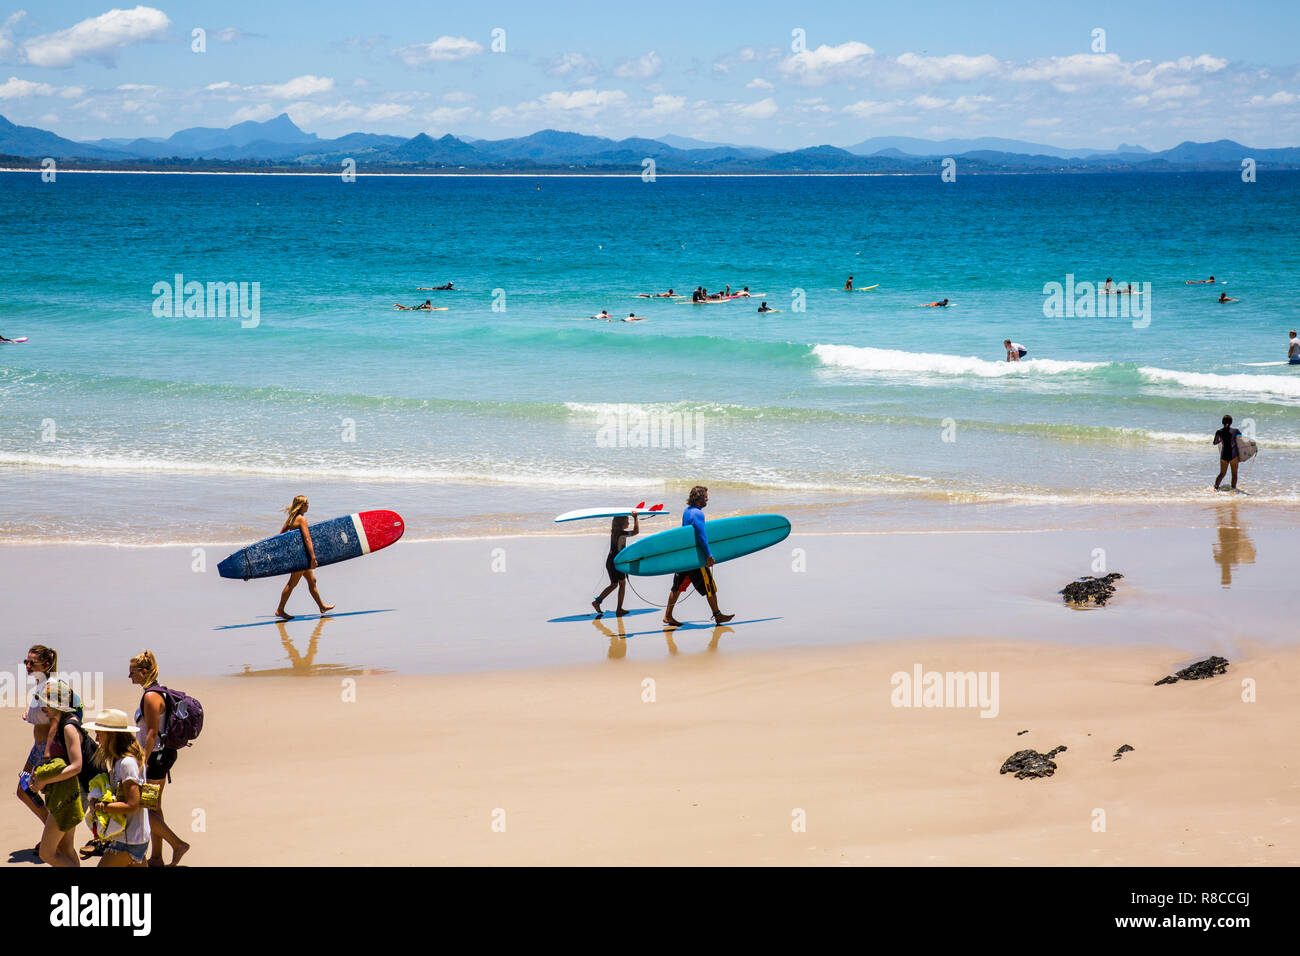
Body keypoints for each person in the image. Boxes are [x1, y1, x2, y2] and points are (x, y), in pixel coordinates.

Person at [130, 651, 190, 867]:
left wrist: (141, 762)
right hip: (159, 757)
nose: (130, 677)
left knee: (145, 808)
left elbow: (152, 732)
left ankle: (177, 844)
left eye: (133, 673)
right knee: (152, 807)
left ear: (144, 672)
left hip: (155, 759)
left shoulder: (150, 696)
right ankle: (156, 858)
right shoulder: (156, 692)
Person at [28, 679, 88, 868]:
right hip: (70, 792)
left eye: (46, 702)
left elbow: (77, 766)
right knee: (66, 848)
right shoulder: (64, 723)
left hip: (70, 795)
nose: (43, 707)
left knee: (47, 853)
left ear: (57, 704)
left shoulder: (69, 727)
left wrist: (44, 781)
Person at [83, 709, 151, 867]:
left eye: (100, 734)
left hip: (128, 839)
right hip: (135, 836)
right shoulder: (121, 761)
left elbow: (132, 805)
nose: (97, 739)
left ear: (112, 735)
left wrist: (101, 807)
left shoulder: (127, 763)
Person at [663, 486, 734, 628]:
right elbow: (701, 536)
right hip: (695, 559)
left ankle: (668, 615)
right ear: (699, 498)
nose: (707, 499)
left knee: (677, 587)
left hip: (685, 558)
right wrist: (708, 555)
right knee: (709, 586)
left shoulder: (687, 511)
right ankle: (717, 614)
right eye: (705, 496)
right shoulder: (698, 514)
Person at [17, 646, 59, 829]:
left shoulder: (50, 688)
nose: (27, 665)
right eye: (26, 661)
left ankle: (52, 833)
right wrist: (30, 713)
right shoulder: (40, 684)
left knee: (28, 790)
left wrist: (48, 753)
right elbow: (43, 711)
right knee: (24, 789)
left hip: (45, 749)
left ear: (46, 664)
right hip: (37, 748)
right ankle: (50, 829)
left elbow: (56, 721)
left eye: (32, 662)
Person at [275, 495, 335, 620]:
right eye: (307, 503)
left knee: (312, 580)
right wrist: (313, 557)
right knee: (292, 583)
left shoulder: (290, 519)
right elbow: (308, 539)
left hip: (298, 555)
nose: (308, 505)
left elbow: (280, 536)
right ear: (302, 505)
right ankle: (280, 610)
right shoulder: (301, 519)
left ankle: (321, 606)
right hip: (301, 557)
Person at [593, 514, 639, 617]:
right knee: (622, 585)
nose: (628, 523)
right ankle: (619, 609)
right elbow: (636, 532)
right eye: (627, 521)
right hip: (617, 563)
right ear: (622, 523)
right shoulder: (621, 533)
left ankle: (597, 602)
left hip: (610, 562)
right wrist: (636, 517)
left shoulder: (614, 532)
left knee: (614, 584)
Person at [1213, 415, 1243, 491]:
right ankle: (1233, 490)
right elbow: (1241, 441)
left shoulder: (1219, 432)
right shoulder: (1236, 431)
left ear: (1222, 422)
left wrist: (1221, 440)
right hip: (1233, 455)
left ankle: (1215, 488)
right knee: (1234, 474)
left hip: (1224, 455)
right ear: (1231, 422)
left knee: (1222, 473)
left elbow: (1215, 442)